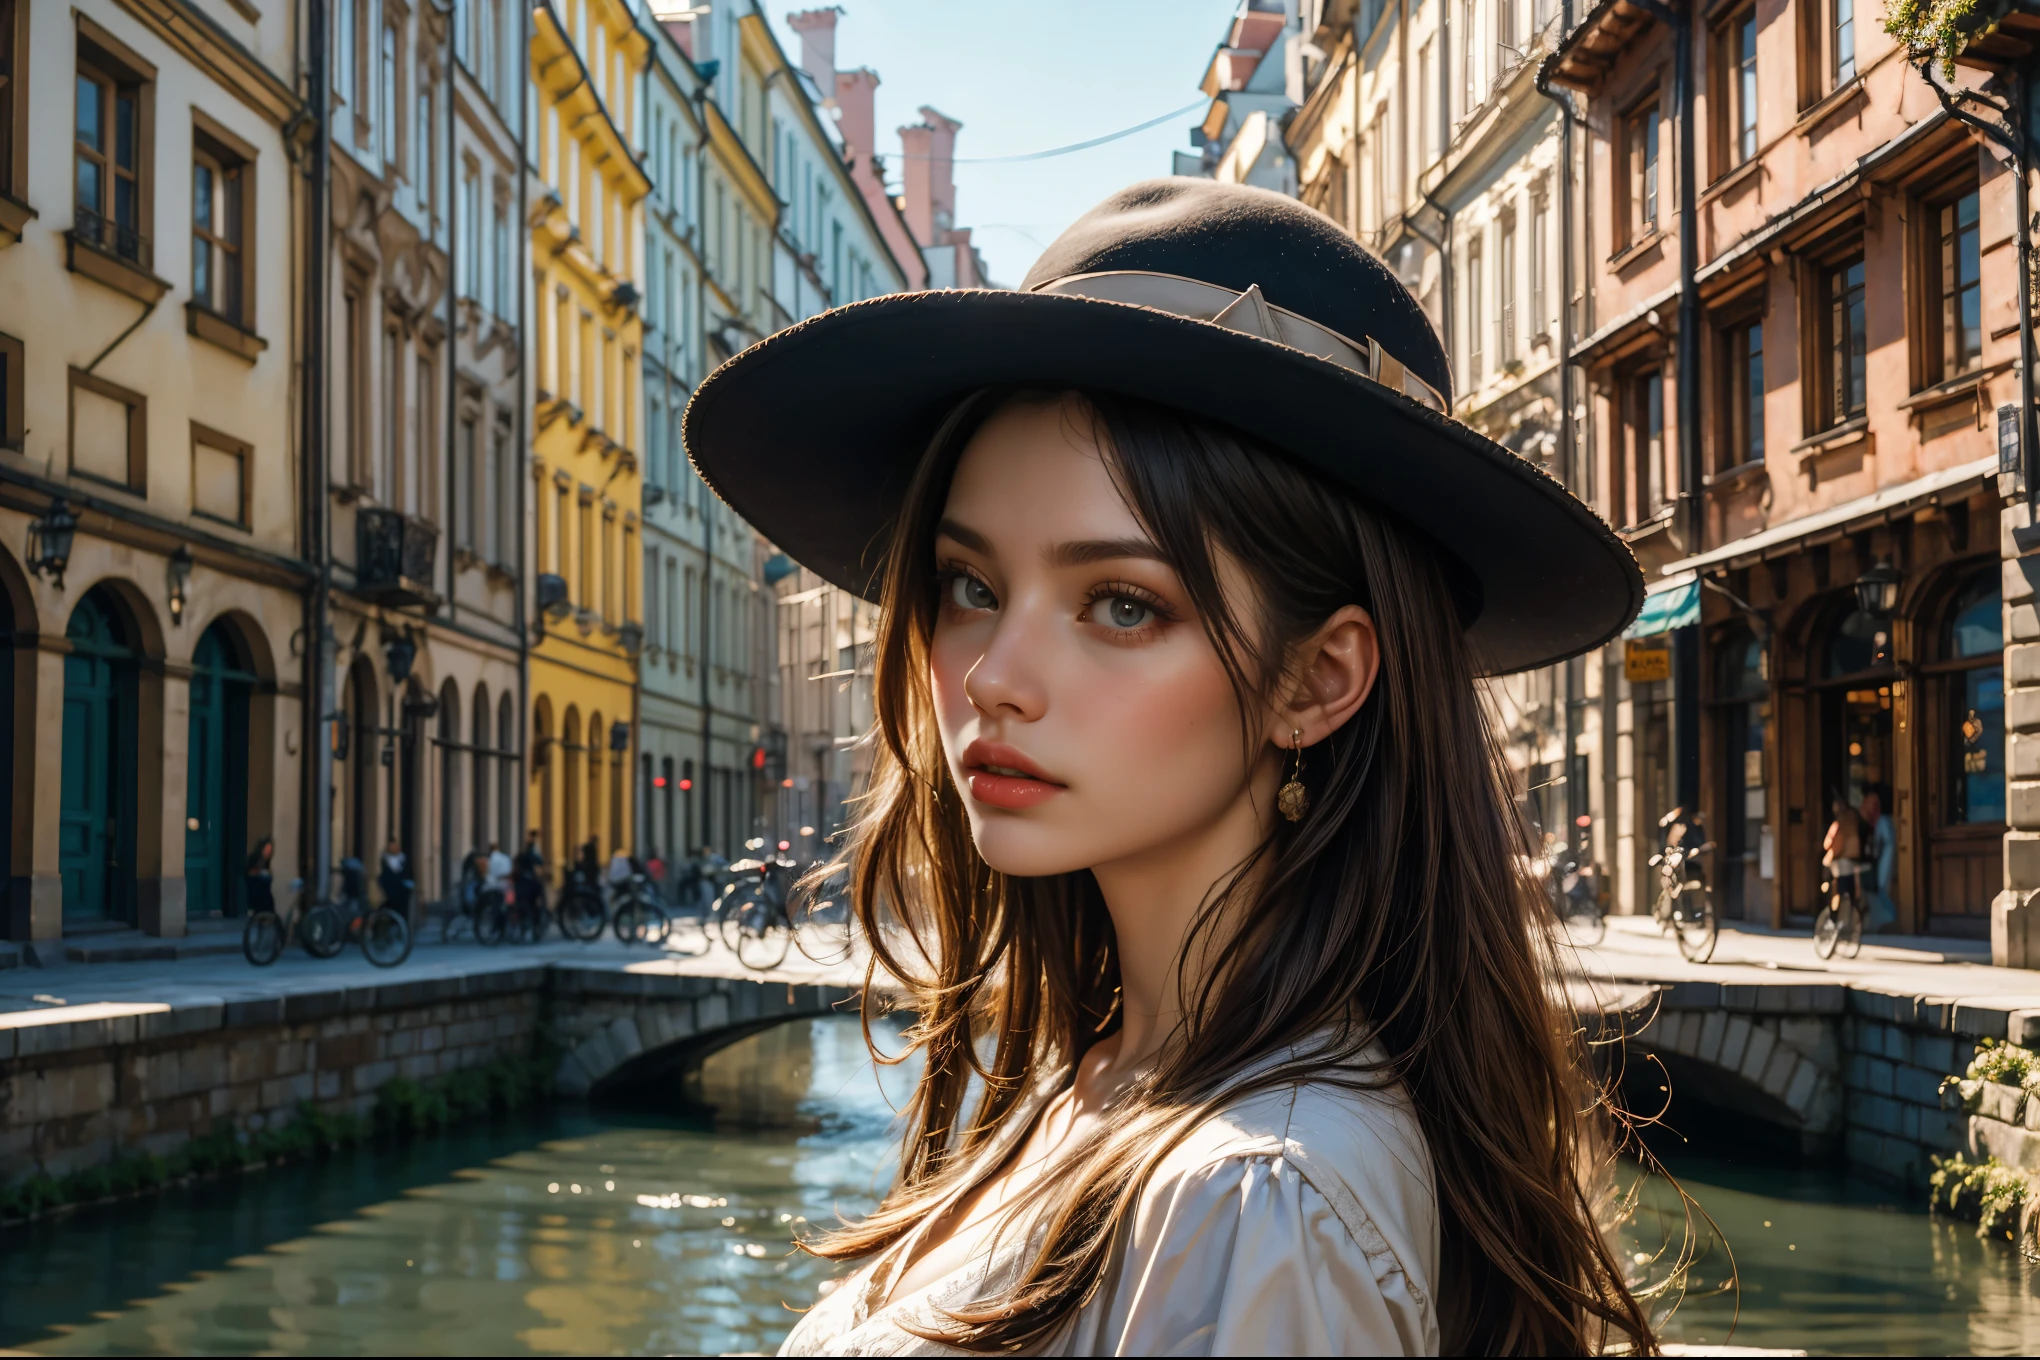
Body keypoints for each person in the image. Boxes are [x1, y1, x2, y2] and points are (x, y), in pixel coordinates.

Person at [685, 180, 1653, 1354]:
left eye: (1121, 605)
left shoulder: (1259, 1207)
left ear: (1318, 681)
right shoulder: (1119, 1079)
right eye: (972, 586)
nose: (995, 673)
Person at [1860, 784, 1898, 931]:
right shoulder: (1883, 821)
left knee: (1882, 887)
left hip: (1884, 858)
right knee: (1881, 888)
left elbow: (1884, 842)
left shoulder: (1883, 821)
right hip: (1883, 858)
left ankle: (1890, 918)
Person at [242, 836, 275, 919]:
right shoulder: (254, 858)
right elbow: (249, 873)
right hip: (255, 891)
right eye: (267, 849)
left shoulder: (266, 861)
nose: (268, 851)